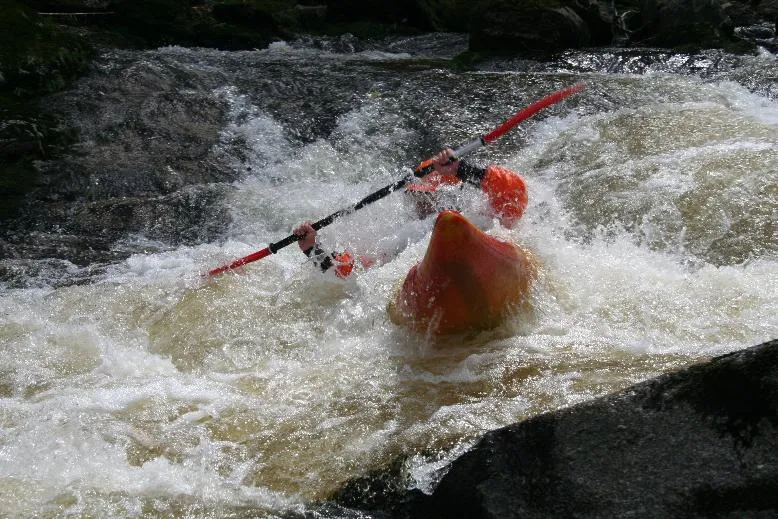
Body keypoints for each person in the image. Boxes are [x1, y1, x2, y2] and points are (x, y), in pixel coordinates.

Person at [293, 148, 528, 278]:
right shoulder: (404, 239)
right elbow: (350, 276)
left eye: (428, 196)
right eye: (416, 196)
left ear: (448, 195)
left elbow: (513, 193)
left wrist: (462, 169)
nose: (421, 203)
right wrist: (312, 247)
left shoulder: (482, 222)